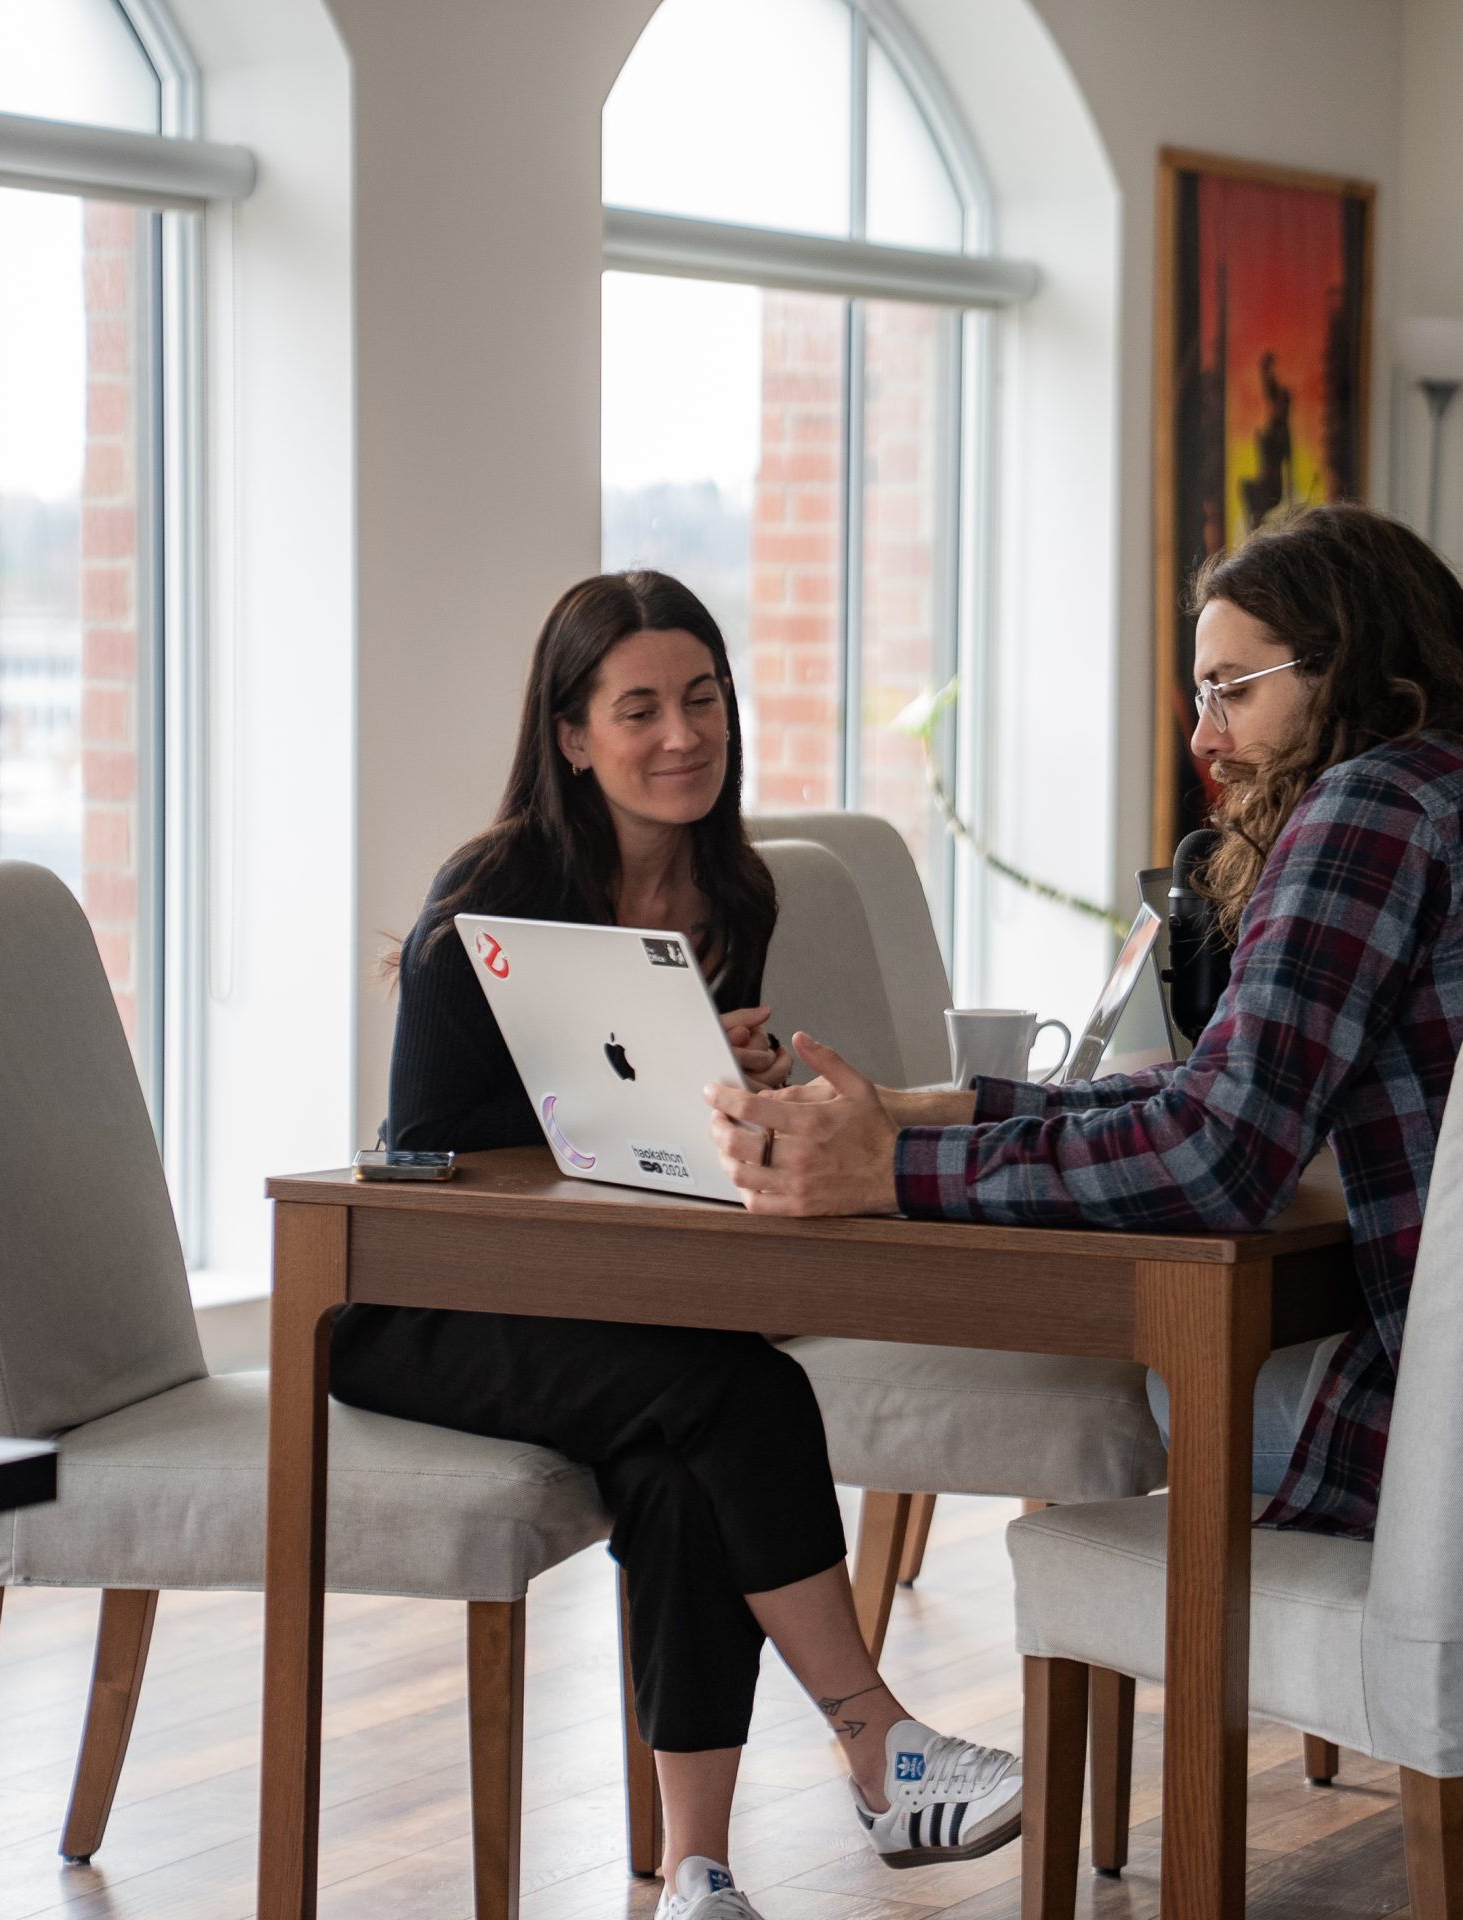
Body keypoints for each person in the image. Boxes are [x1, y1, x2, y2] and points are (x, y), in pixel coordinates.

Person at [699, 503, 1463, 1919]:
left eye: (1235, 687)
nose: (1206, 733)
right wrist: (947, 1113)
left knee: (1189, 1397)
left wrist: (887, 1175)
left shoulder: (1372, 809)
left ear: (1343, 663)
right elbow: (1224, 1095)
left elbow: (1216, 1161)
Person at [331, 571, 1024, 1920]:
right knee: (740, 1394)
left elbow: (667, 1165)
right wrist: (652, 1089)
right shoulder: (490, 898)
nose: (683, 735)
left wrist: (717, 1088)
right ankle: (879, 1743)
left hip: (611, 1304)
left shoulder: (733, 895)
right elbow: (430, 1153)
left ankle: (697, 1875)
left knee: (678, 1467)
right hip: (426, 1307)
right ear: (572, 735)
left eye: (702, 699)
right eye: (639, 709)